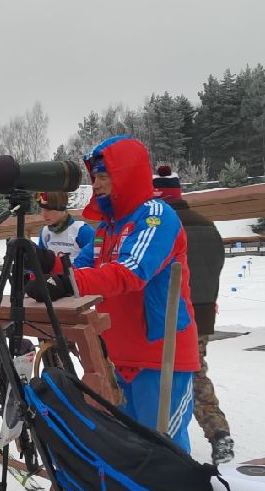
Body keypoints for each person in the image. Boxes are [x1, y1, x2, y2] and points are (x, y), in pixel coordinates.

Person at [28, 136, 199, 452]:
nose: (97, 185)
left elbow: (131, 271)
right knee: (133, 450)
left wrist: (67, 283)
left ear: (127, 173)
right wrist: (46, 263)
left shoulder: (154, 216)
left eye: (104, 176)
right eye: (94, 178)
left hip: (161, 357)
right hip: (122, 356)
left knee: (165, 452)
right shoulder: (107, 228)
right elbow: (81, 266)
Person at [154, 166, 234, 463]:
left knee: (156, 376)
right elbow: (217, 267)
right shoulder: (208, 225)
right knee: (196, 373)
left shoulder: (158, 227)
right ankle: (219, 434)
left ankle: (160, 436)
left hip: (166, 315)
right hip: (200, 315)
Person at [37, 191, 95, 260]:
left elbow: (93, 261)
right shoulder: (45, 232)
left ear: (61, 209)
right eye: (41, 209)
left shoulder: (82, 230)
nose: (43, 214)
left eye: (48, 210)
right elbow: (40, 263)